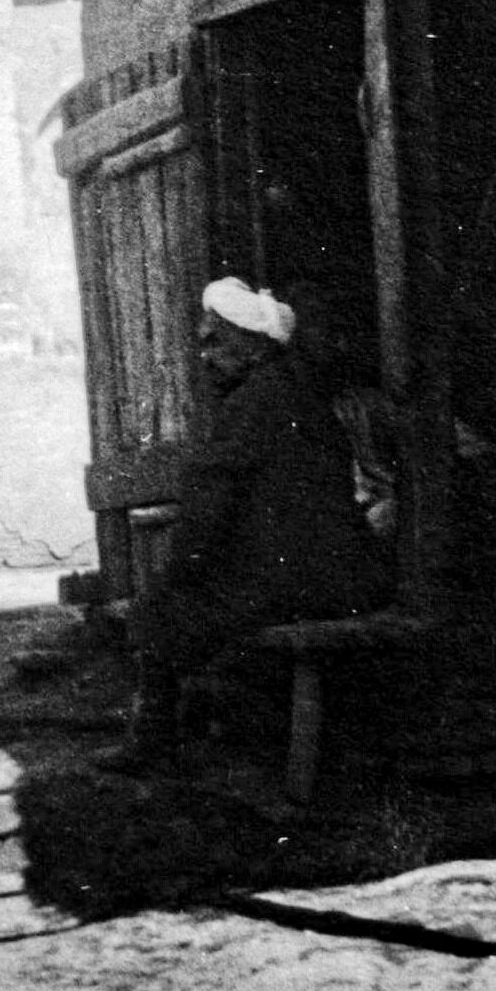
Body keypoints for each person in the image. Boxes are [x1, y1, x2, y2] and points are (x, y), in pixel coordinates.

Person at [112, 274, 395, 771]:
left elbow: (207, 507)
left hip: (300, 582)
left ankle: (153, 745)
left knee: (160, 610)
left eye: (214, 342)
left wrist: (180, 574)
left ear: (251, 345)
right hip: (345, 574)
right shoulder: (297, 394)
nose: (204, 356)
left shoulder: (251, 404)